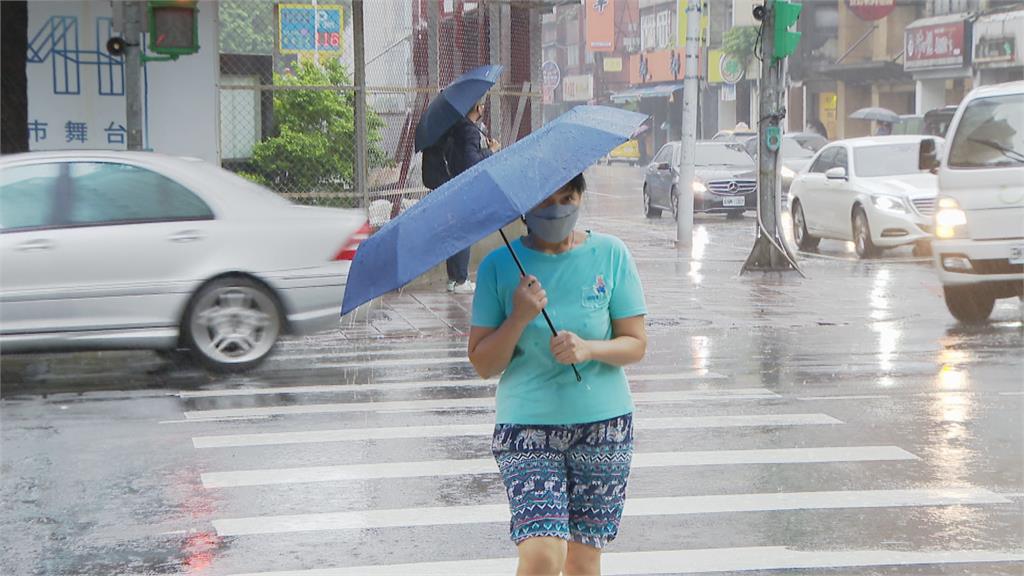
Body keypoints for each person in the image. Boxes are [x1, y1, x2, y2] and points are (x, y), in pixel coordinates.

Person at [468, 173, 648, 576]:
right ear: (525, 212)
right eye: (545, 202)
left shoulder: (611, 254)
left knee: (583, 562)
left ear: (581, 197)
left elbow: (635, 343)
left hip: (604, 427)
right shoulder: (499, 267)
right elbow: (483, 363)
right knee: (543, 554)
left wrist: (588, 349)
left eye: (567, 198)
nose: (558, 210)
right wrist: (518, 316)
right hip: (527, 427)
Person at [444, 97, 502, 294]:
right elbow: (472, 162)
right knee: (463, 233)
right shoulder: (469, 130)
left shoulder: (455, 127)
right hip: (465, 188)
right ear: (478, 107)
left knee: (455, 232)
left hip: (452, 184)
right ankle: (461, 280)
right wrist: (491, 151)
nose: (484, 107)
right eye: (483, 104)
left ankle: (453, 278)